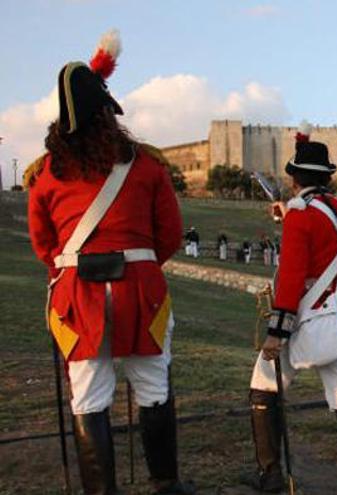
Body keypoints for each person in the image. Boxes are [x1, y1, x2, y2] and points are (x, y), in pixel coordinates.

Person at [25, 30, 194, 494]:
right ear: (108, 114)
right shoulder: (148, 166)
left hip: (79, 295)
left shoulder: (44, 176)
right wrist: (138, 265)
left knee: (89, 396)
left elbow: (44, 246)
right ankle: (165, 485)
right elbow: (171, 237)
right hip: (140, 290)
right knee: (154, 388)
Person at [243, 128, 337, 494]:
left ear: (294, 177)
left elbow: (291, 277)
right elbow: (325, 248)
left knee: (262, 386)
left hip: (305, 321)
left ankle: (270, 478)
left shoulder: (302, 215)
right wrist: (289, 215)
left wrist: (276, 332)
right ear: (326, 177)